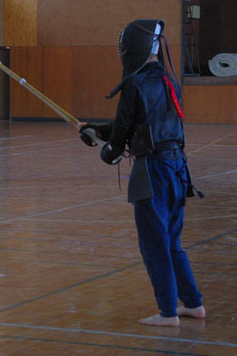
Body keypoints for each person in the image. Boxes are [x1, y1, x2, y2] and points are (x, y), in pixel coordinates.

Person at [79, 19, 205, 327]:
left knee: (154, 244)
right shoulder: (168, 80)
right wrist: (96, 130)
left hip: (153, 171)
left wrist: (107, 151)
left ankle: (167, 313)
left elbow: (123, 130)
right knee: (172, 242)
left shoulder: (134, 84)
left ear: (130, 49)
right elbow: (138, 122)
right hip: (177, 169)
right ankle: (193, 304)